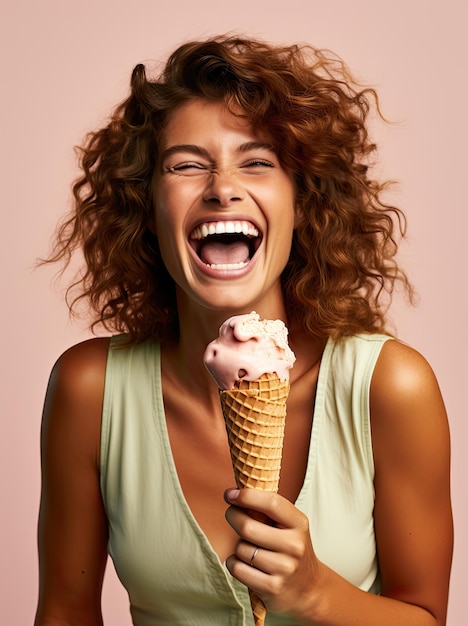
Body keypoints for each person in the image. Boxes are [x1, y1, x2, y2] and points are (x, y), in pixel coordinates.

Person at [34, 35, 453, 626]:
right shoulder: (90, 388)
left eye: (257, 162)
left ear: (302, 202)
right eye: (186, 165)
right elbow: (65, 612)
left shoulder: (390, 385)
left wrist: (316, 593)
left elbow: (427, 618)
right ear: (146, 207)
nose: (222, 187)